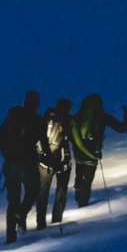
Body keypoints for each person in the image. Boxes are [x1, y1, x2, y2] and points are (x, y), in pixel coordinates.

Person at [0, 90, 43, 244]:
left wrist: (7, 154)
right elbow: (43, 142)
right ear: (37, 103)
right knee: (33, 190)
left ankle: (11, 237)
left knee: (13, 199)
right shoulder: (37, 120)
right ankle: (21, 214)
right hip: (28, 162)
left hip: (10, 163)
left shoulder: (12, 117)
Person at [69, 93, 127, 206]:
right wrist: (126, 119)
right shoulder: (103, 116)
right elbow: (121, 128)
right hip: (93, 152)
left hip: (78, 151)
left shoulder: (77, 116)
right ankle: (83, 203)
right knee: (88, 178)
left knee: (79, 171)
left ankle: (78, 191)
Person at [40, 96, 76, 226]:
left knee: (43, 192)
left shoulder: (45, 118)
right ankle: (57, 219)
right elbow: (71, 139)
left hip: (44, 161)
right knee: (61, 188)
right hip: (62, 161)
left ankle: (40, 222)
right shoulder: (66, 120)